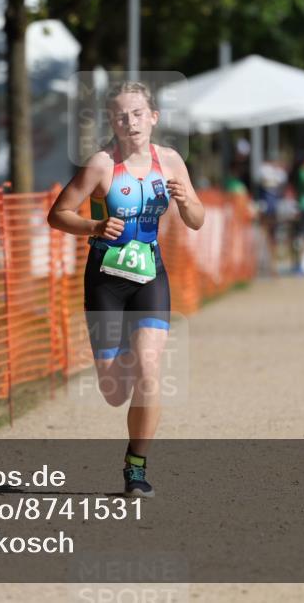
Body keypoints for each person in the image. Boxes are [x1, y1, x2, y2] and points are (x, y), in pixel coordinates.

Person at [47, 81, 204, 497]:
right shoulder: (100, 165)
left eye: (137, 113)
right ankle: (131, 358)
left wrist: (186, 200)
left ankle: (136, 467)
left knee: (150, 373)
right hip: (105, 281)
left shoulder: (170, 161)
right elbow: (58, 214)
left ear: (153, 117)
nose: (130, 121)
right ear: (111, 122)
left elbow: (196, 219)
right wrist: (93, 226)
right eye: (120, 115)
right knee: (115, 393)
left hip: (151, 277)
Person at [256, 157, 287, 276]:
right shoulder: (266, 174)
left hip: (273, 212)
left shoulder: (278, 176)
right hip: (266, 213)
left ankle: (272, 267)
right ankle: (269, 266)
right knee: (265, 237)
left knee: (271, 239)